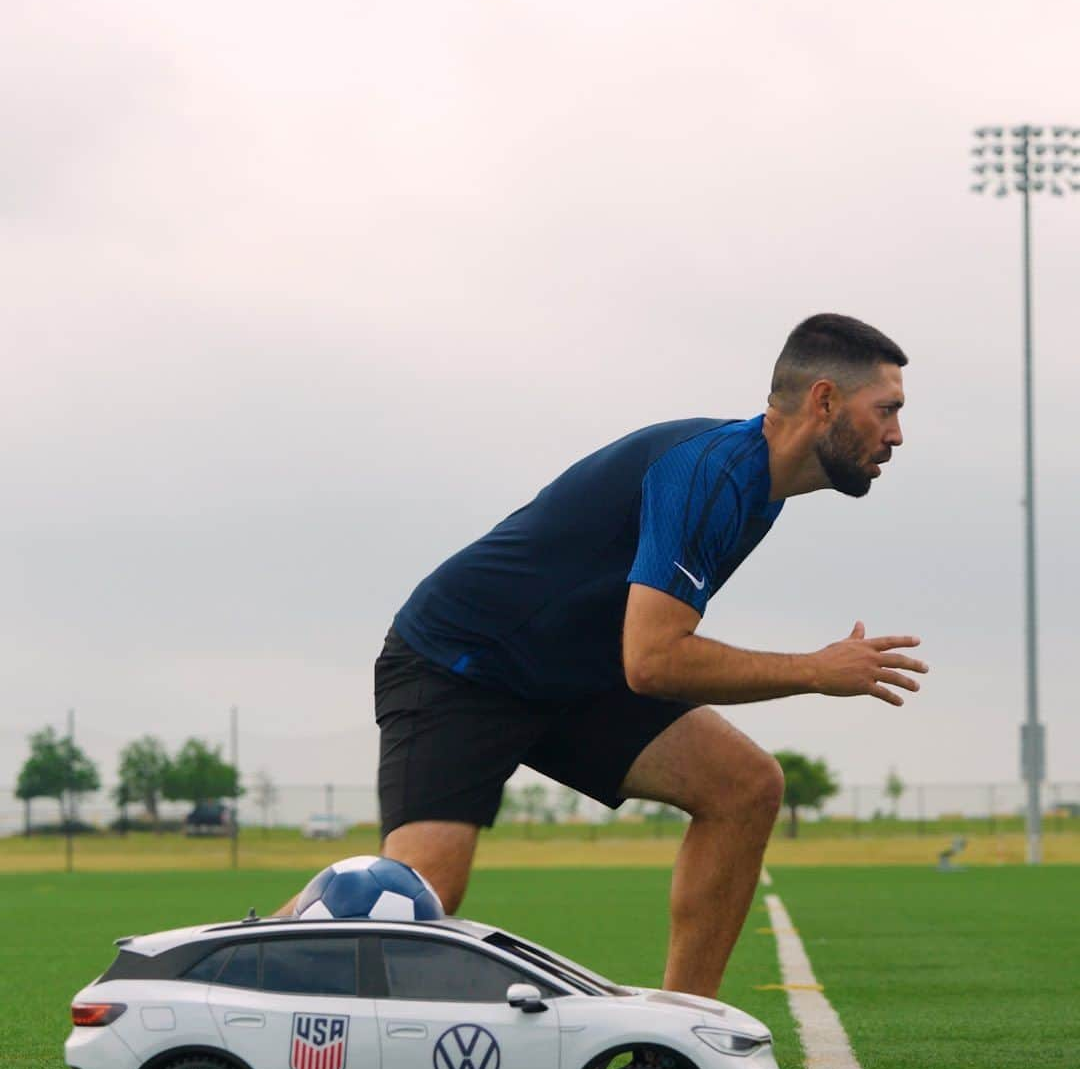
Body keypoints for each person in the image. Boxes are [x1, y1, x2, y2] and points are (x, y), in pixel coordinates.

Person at [285, 313, 928, 997]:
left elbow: (638, 654)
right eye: (885, 410)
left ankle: (685, 1037)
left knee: (744, 786)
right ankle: (222, 978)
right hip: (458, 666)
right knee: (420, 894)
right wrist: (814, 670)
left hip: (574, 676)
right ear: (824, 400)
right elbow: (653, 661)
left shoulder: (760, 492)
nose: (896, 435)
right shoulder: (709, 473)